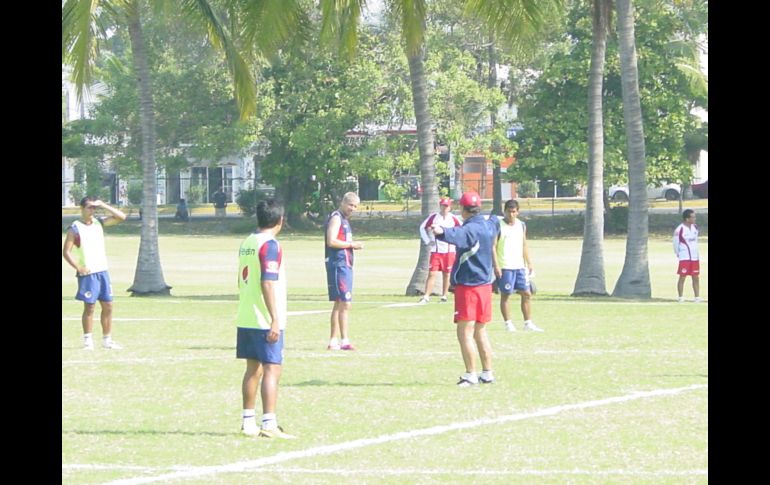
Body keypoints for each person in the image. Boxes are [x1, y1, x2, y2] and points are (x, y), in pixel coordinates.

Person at [236, 198, 295, 438]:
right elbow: (267, 282)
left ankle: (248, 422)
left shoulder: (247, 242)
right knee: (272, 368)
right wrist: (275, 319)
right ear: (280, 220)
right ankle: (269, 423)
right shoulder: (270, 245)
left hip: (246, 315)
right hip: (263, 318)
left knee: (253, 369)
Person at [432, 191, 500, 387]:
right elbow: (496, 220)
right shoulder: (489, 224)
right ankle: (487, 372)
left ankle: (470, 374)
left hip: (469, 286)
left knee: (465, 332)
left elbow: (456, 235)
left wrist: (440, 231)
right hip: (485, 285)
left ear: (462, 209)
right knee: (481, 331)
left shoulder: (470, 229)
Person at [62, 196, 127, 350]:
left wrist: (104, 204)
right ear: (82, 208)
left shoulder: (99, 223)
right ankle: (88, 341)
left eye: (94, 208)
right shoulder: (75, 228)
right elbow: (66, 251)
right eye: (89, 207)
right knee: (90, 307)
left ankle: (107, 340)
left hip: (102, 271)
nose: (92, 210)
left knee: (108, 306)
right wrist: (79, 267)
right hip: (89, 273)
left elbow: (121, 217)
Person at [491, 199, 544, 332]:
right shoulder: (498, 225)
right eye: (509, 211)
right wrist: (496, 265)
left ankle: (528, 323)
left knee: (526, 293)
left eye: (514, 212)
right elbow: (493, 246)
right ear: (504, 212)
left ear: (518, 212)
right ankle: (508, 323)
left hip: (519, 266)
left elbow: (524, 244)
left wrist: (529, 262)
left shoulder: (521, 225)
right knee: (506, 294)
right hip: (505, 266)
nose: (511, 214)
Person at [324, 192, 364, 350]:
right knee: (345, 302)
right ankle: (344, 340)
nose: (352, 209)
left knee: (340, 302)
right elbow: (331, 241)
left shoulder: (345, 220)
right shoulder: (336, 218)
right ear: (343, 203)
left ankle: (334, 340)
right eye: (351, 205)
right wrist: (352, 244)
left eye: (355, 207)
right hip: (338, 264)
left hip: (345, 264)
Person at [418, 197, 462, 304]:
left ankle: (444, 296)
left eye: (446, 206)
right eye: (442, 205)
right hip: (436, 250)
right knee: (432, 273)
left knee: (447, 274)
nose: (444, 208)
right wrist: (428, 241)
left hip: (449, 251)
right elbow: (422, 227)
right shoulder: (434, 217)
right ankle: (426, 296)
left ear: (450, 207)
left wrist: (456, 241)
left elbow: (462, 229)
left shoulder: (453, 218)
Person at [673, 209, 701, 303]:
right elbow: (675, 243)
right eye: (692, 217)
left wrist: (697, 254)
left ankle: (697, 297)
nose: (694, 219)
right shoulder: (679, 229)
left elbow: (695, 241)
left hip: (694, 257)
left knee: (695, 277)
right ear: (687, 219)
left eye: (694, 216)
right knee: (682, 276)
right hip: (684, 257)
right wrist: (678, 254)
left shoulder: (695, 228)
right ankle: (680, 297)